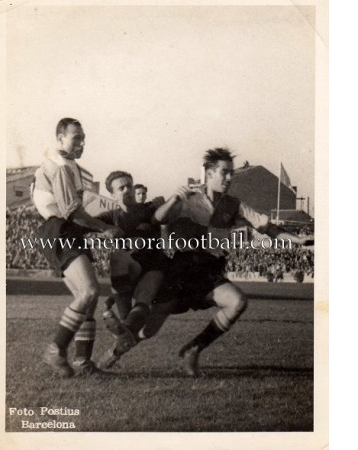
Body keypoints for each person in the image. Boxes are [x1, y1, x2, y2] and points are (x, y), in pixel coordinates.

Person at [150, 147, 313, 376]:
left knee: (237, 302)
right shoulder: (189, 199)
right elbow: (160, 218)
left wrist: (297, 240)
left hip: (209, 273)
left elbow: (267, 228)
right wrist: (174, 199)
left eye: (231, 174)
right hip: (181, 272)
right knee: (149, 327)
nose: (229, 178)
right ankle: (110, 352)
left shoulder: (233, 205)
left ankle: (194, 349)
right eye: (224, 172)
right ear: (208, 174)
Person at [31, 118, 122, 377]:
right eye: (75, 138)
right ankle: (55, 349)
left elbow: (72, 211)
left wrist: (101, 220)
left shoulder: (66, 163)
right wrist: (103, 227)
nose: (81, 143)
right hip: (59, 230)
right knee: (90, 291)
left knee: (87, 301)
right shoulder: (59, 166)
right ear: (60, 139)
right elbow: (73, 212)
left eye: (83, 138)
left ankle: (83, 363)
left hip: (62, 230)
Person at [94, 171, 168, 368]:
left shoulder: (150, 208)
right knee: (117, 256)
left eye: (130, 185)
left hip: (154, 268)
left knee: (145, 329)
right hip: (131, 271)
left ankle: (116, 348)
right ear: (113, 195)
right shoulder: (110, 217)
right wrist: (102, 232)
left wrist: (169, 203)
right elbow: (85, 226)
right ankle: (126, 323)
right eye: (121, 188)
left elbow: (168, 213)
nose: (128, 190)